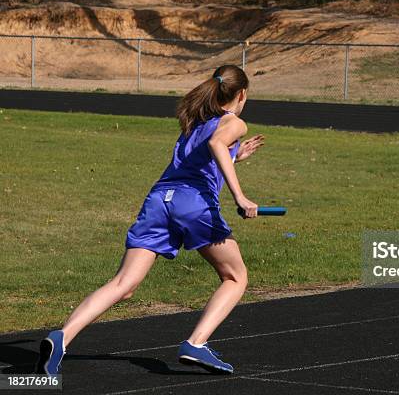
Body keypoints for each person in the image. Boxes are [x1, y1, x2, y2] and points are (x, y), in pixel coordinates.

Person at [37, 65, 265, 375]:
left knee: (124, 284)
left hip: (159, 201)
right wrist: (240, 196)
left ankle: (61, 338)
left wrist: (236, 155)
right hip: (192, 204)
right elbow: (215, 145)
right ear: (242, 94)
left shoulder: (195, 122)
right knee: (236, 277)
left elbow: (204, 153)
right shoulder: (234, 122)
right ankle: (196, 343)